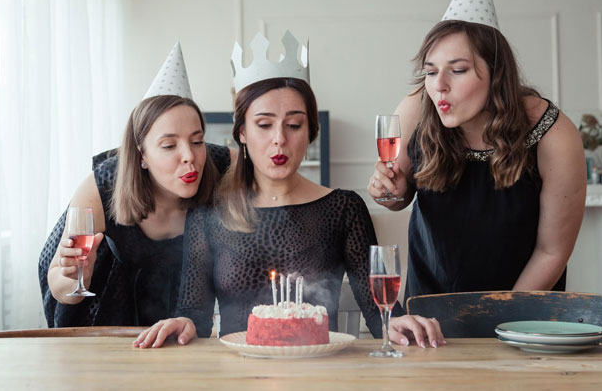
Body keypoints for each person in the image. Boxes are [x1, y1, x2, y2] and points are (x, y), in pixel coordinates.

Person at [133, 31, 444, 349]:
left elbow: (380, 314)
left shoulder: (344, 208)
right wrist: (181, 322)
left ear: (311, 132)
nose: (279, 139)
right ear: (241, 132)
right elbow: (193, 317)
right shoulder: (208, 213)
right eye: (264, 125)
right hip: (236, 376)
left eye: (294, 125)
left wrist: (398, 321)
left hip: (320, 374)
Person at [368, 0, 586, 311]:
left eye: (458, 70)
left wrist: (499, 315)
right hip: (429, 307)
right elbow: (398, 197)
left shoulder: (553, 133)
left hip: (521, 315)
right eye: (431, 70)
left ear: (497, 73)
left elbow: (552, 251)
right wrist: (387, 190)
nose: (439, 86)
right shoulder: (417, 106)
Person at [39, 44, 232, 327]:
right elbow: (61, 288)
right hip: (109, 307)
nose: (190, 156)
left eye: (197, 140)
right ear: (141, 154)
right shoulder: (103, 186)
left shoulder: (221, 164)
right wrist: (72, 277)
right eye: (169, 145)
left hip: (187, 317)